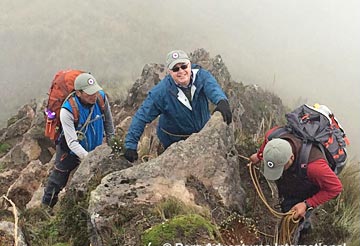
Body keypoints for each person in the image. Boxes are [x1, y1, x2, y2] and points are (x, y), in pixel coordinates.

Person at [124, 49, 232, 162]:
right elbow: (142, 116)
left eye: (184, 66)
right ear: (169, 72)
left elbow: (213, 88)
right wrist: (131, 145)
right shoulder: (161, 92)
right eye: (175, 69)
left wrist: (221, 101)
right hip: (172, 143)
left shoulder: (202, 77)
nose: (181, 71)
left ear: (190, 65)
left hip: (201, 137)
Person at [42, 73, 115, 208]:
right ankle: (46, 207)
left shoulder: (101, 98)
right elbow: (72, 143)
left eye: (95, 91)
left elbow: (109, 124)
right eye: (89, 93)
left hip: (94, 147)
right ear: (79, 93)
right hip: (69, 152)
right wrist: (89, 159)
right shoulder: (68, 110)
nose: (93, 96)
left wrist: (113, 145)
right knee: (58, 178)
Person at [249, 128, 343, 220]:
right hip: (295, 172)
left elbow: (336, 188)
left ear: (291, 157)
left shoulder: (315, 168)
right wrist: (259, 155)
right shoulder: (273, 136)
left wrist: (307, 204)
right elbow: (268, 144)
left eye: (281, 167)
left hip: (308, 183)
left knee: (295, 212)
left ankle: (302, 228)